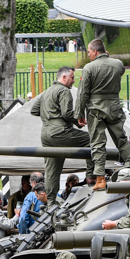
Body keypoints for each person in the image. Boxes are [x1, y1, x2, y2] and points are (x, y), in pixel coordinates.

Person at [75, 39, 130, 191]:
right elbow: (120, 70)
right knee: (121, 139)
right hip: (114, 107)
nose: (89, 54)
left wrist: (79, 113)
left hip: (95, 109)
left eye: (89, 52)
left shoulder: (89, 68)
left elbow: (82, 93)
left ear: (95, 52)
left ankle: (100, 179)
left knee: (98, 143)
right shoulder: (118, 64)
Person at [31, 66, 89, 199]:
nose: (73, 80)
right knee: (91, 140)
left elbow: (34, 110)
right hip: (60, 132)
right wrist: (78, 120)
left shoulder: (47, 91)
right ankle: (91, 176)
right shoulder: (64, 91)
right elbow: (67, 113)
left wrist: (49, 115)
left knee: (52, 169)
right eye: (72, 77)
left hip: (46, 135)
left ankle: (51, 201)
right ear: (64, 77)